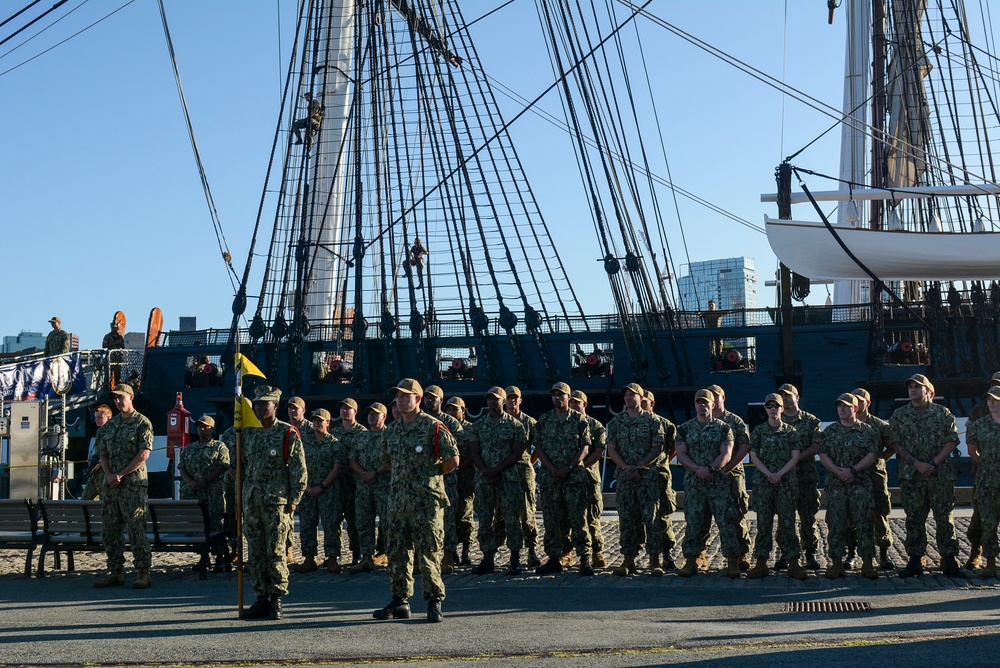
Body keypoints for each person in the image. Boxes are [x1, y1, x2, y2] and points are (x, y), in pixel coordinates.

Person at [372, 378, 458, 624]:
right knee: (398, 553)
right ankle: (400, 601)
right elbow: (386, 460)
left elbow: (453, 460)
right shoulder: (392, 430)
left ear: (418, 399)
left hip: (426, 503)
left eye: (404, 396)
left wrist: (428, 478)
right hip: (399, 503)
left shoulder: (434, 427)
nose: (399, 400)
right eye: (397, 396)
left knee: (429, 552)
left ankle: (434, 602)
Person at [240, 385, 307, 621]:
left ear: (275, 406)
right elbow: (243, 466)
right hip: (253, 502)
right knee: (256, 554)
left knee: (276, 552)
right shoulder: (249, 433)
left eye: (264, 403)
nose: (259, 407)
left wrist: (294, 500)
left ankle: (277, 598)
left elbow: (299, 470)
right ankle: (261, 597)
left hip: (277, 503)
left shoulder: (287, 433)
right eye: (257, 403)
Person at [890, 374, 963, 578]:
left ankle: (949, 559)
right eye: (910, 387)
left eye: (917, 387)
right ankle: (915, 559)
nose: (913, 390)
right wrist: (916, 463)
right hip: (912, 476)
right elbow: (896, 443)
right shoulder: (899, 415)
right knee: (914, 519)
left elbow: (951, 441)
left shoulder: (943, 414)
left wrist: (932, 463)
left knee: (944, 518)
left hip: (939, 475)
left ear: (929, 391)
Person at [675, 389, 740, 578]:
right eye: (699, 402)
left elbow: (726, 453)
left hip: (718, 483)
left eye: (706, 402)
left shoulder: (724, 428)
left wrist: (710, 469)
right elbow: (681, 453)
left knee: (726, 521)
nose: (702, 405)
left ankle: (733, 561)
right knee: (694, 522)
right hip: (694, 483)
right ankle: (691, 559)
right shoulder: (685, 428)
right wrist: (697, 469)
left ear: (713, 405)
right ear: (694, 405)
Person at [94, 383, 153, 589]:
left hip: (133, 485)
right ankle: (115, 571)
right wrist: (109, 474)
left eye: (121, 397)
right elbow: (103, 454)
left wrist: (121, 474)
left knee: (136, 527)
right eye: (115, 398)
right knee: (110, 529)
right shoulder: (110, 426)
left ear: (131, 397)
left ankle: (143, 572)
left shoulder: (141, 423)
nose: (118, 401)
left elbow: (143, 454)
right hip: (111, 486)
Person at [467, 386, 528, 575]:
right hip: (485, 479)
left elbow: (517, 452)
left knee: (511, 518)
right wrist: (486, 471)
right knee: (485, 519)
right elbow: (474, 451)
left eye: (496, 399)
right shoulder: (478, 426)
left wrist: (496, 470)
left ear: (504, 401)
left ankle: (515, 558)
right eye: (490, 399)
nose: (493, 402)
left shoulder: (516, 426)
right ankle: (487, 558)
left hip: (508, 478)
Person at [533, 382, 593, 575]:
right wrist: (552, 469)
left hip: (573, 477)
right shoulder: (545, 420)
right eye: (554, 395)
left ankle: (585, 558)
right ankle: (553, 558)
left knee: (578, 519)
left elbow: (585, 447)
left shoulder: (580, 421)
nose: (557, 398)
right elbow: (539, 448)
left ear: (568, 397)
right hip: (551, 479)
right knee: (551, 519)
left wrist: (568, 468)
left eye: (561, 395)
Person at [606, 383, 665, 576]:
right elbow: (612, 448)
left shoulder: (653, 421)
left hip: (647, 478)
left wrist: (638, 466)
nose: (628, 398)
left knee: (651, 519)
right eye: (626, 396)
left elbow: (657, 447)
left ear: (641, 398)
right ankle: (628, 560)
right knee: (626, 519)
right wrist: (625, 467)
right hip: (625, 479)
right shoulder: (616, 422)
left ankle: (654, 561)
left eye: (632, 395)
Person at [818, 393, 879, 580]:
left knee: (864, 524)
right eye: (839, 406)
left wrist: (852, 470)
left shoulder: (867, 431)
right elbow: (823, 455)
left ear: (856, 408)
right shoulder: (829, 432)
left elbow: (872, 455)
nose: (842, 409)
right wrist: (838, 471)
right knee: (836, 524)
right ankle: (836, 564)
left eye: (846, 406)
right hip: (836, 486)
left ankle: (867, 563)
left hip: (860, 485)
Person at [747, 393, 806, 580]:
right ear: (765, 409)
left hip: (786, 483)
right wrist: (768, 474)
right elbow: (754, 456)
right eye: (769, 406)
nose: (773, 409)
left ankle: (793, 562)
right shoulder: (758, 432)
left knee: (788, 523)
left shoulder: (790, 432)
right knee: (763, 524)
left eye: (776, 406)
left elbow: (795, 455)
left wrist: (780, 474)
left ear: (782, 408)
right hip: (764, 484)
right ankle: (761, 562)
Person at [775, 383, 823, 570]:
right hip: (783, 480)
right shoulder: (775, 421)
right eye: (782, 396)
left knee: (807, 518)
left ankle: (810, 553)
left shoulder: (811, 421)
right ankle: (786, 554)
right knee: (785, 519)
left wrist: (795, 460)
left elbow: (816, 445)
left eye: (788, 395)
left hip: (805, 477)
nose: (785, 399)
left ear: (797, 397)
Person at [292, 408, 345, 574]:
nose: (316, 423)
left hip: (328, 490)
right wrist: (308, 487)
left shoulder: (334, 444)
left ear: (327, 423)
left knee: (331, 524)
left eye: (320, 420)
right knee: (307, 524)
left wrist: (322, 486)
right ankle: (309, 558)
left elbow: (337, 469)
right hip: (308, 491)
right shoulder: (304, 443)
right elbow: (299, 466)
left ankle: (332, 558)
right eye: (314, 420)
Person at [706, 384, 752, 569]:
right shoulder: (702, 421)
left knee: (736, 514)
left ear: (723, 398)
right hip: (706, 477)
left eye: (716, 397)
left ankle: (742, 553)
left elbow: (743, 448)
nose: (713, 400)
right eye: (710, 397)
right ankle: (699, 554)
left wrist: (727, 468)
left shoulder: (735, 421)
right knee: (702, 515)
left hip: (731, 475)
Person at [178, 415, 231, 571]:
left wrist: (205, 481)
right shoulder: (190, 448)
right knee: (196, 525)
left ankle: (219, 558)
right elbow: (182, 467)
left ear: (211, 428)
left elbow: (223, 466)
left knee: (215, 525)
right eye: (199, 426)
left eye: (205, 426)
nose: (201, 429)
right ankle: (203, 557)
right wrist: (192, 482)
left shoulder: (219, 447)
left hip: (212, 493)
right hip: (193, 492)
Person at [852, 387, 896, 570]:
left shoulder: (880, 426)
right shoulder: (848, 424)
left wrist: (880, 460)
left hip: (875, 476)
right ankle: (851, 554)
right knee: (852, 516)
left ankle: (883, 554)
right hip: (854, 476)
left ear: (867, 403)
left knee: (880, 512)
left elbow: (893, 446)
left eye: (859, 400)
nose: (856, 404)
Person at [422, 386, 464, 573]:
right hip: (422, 480)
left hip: (446, 478)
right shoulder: (420, 421)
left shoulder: (451, 423)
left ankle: (448, 554)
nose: (429, 401)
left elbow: (458, 451)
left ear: (441, 400)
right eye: (427, 398)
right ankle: (423, 556)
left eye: (433, 398)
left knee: (448, 517)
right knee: (423, 519)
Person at [348, 403, 391, 573]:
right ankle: (366, 557)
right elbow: (352, 460)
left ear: (384, 417)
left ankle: (390, 556)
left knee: (388, 523)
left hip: (384, 487)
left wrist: (374, 472)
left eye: (376, 414)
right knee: (363, 522)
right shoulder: (360, 437)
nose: (371, 416)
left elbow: (392, 461)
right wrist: (364, 474)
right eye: (370, 414)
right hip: (364, 488)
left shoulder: (390, 435)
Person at [963, 371, 1000, 569]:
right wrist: (982, 463)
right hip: (984, 473)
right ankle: (976, 551)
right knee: (982, 514)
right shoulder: (979, 411)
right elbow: (970, 441)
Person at [569, 390, 608, 569]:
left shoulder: (596, 426)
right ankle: (566, 552)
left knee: (592, 516)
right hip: (568, 478)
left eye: (577, 403)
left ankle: (596, 551)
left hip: (588, 478)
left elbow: (599, 451)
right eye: (571, 402)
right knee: (568, 516)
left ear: (584, 404)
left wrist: (579, 467)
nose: (573, 405)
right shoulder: (567, 424)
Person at [504, 385, 540, 568]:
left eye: (515, 398)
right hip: (504, 473)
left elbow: (539, 446)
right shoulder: (500, 421)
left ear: (520, 400)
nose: (512, 401)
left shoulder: (529, 422)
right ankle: (514, 554)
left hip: (523, 471)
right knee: (510, 516)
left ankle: (532, 550)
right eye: (509, 398)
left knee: (528, 513)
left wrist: (529, 462)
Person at [642, 390, 678, 570]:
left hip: (659, 477)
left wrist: (662, 464)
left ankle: (667, 553)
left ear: (652, 403)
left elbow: (673, 449)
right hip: (638, 479)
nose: (641, 403)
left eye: (644, 400)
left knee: (663, 517)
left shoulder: (666, 425)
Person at [333, 398, 367, 565]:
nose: (345, 411)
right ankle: (333, 554)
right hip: (337, 484)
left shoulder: (361, 432)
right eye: (342, 409)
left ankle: (357, 552)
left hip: (354, 483)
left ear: (355, 412)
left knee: (355, 520)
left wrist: (343, 471)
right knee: (334, 520)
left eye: (348, 409)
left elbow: (361, 457)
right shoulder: (335, 432)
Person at [445, 396, 476, 566]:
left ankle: (466, 549)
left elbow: (473, 453)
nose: (451, 412)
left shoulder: (470, 429)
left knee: (464, 514)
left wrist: (459, 467)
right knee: (450, 516)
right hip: (449, 477)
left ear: (463, 411)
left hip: (465, 478)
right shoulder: (444, 426)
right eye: (449, 409)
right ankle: (452, 551)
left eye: (455, 409)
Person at [83, 404, 112, 500]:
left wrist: (99, 464)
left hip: (106, 472)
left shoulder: (113, 432)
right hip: (96, 472)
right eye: (95, 417)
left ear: (108, 417)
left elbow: (112, 452)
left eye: (99, 417)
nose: (96, 420)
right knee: (85, 499)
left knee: (105, 500)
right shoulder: (100, 432)